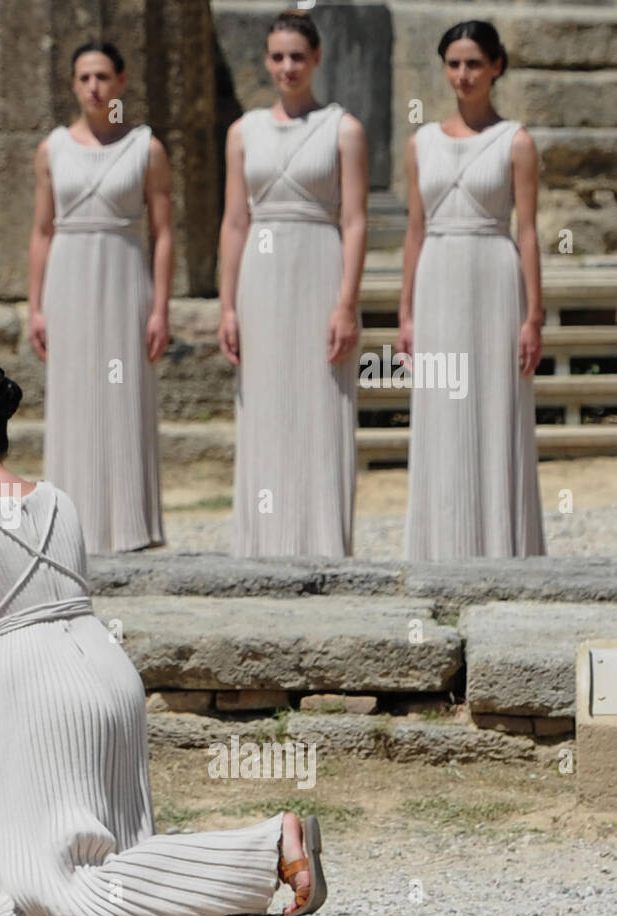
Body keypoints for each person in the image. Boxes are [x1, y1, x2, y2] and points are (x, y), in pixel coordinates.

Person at [0, 361, 327, 916]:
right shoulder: (60, 501)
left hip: (40, 704)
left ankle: (266, 847)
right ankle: (264, 850)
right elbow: (32, 629)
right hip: (110, 682)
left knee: (61, 892)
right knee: (114, 859)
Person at [217, 9, 368, 557]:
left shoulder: (343, 129)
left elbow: (354, 221)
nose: (287, 66)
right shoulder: (243, 132)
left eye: (297, 56)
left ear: (317, 59)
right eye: (278, 57)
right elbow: (235, 221)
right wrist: (228, 306)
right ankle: (262, 539)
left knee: (322, 401)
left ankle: (323, 539)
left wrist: (346, 304)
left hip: (319, 268)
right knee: (263, 401)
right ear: (265, 60)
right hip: (261, 275)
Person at [400, 20, 546, 559]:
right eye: (454, 64)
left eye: (474, 64)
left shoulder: (517, 142)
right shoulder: (421, 143)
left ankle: (503, 546)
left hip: (494, 277)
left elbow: (527, 230)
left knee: (496, 407)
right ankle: (441, 545)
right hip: (437, 277)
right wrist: (405, 312)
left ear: (496, 68)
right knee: (442, 406)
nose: (463, 75)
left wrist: (534, 315)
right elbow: (415, 230)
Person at [29, 41, 172, 555]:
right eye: (85, 77)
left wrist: (160, 307)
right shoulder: (52, 149)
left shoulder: (146, 149)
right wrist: (36, 305)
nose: (94, 87)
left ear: (121, 82)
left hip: (125, 277)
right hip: (68, 280)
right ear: (72, 84)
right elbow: (42, 230)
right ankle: (70, 526)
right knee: (73, 398)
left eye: (104, 77)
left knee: (124, 394)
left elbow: (164, 232)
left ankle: (131, 526)